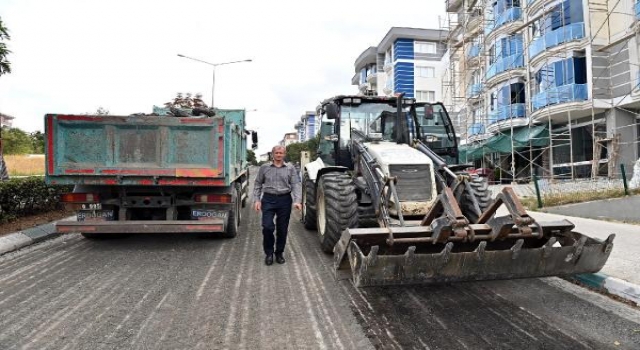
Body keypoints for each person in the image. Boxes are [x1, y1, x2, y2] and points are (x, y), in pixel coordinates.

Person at [253, 145, 302, 265]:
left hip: (284, 200)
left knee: (282, 229)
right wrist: (257, 200)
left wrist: (297, 200)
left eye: (281, 153)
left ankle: (279, 253)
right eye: (277, 153)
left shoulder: (290, 168)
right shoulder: (264, 168)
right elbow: (258, 183)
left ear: (284, 154)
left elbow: (295, 184)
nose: (279, 155)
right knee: (267, 227)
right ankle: (269, 253)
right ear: (272, 154)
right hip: (268, 199)